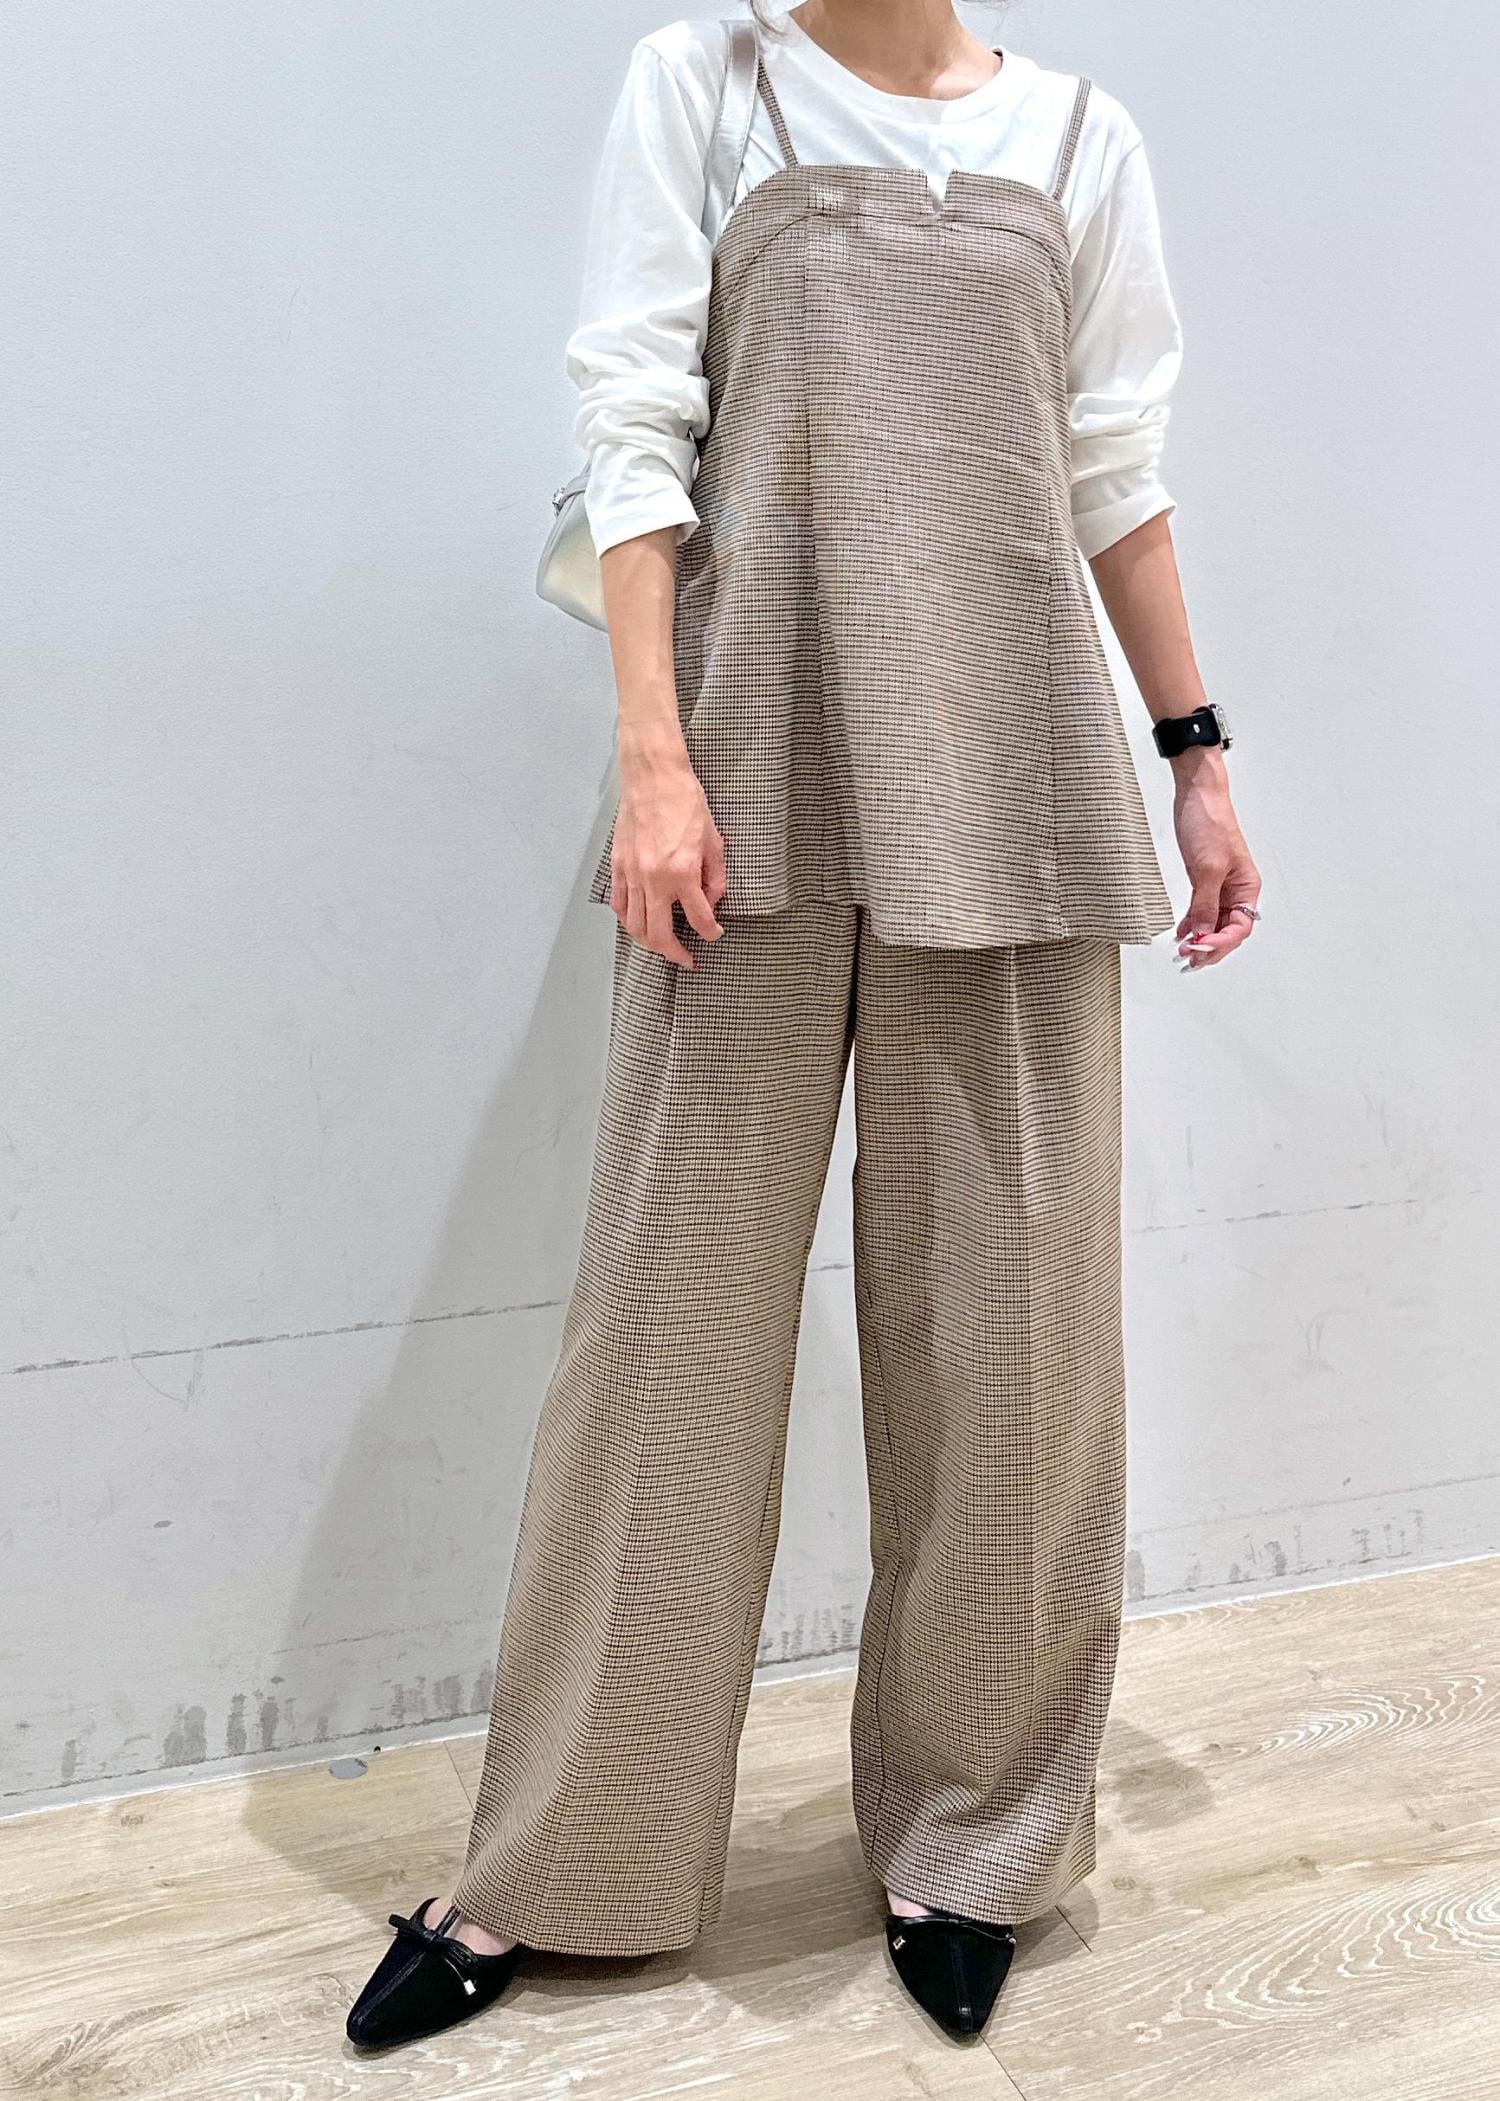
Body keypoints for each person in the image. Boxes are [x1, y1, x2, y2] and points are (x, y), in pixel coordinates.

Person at [346, 0, 1261, 2053]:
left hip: (1015, 766)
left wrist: (1196, 755)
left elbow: (1113, 466)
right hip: (744, 760)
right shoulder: (708, 82)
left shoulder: (1082, 139)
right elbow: (632, 416)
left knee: (1017, 1336)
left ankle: (977, 1843)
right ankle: (562, 1857)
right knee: (666, 1324)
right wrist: (654, 757)